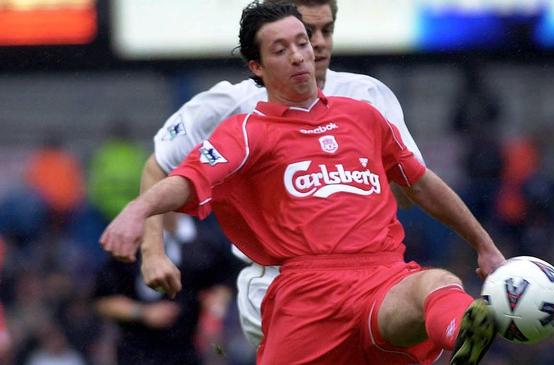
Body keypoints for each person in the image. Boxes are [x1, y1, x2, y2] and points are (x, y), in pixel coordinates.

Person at [101, 2, 505, 364]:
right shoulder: (244, 127)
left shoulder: (364, 112)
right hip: (305, 293)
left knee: (438, 283)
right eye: (281, 50)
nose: (300, 55)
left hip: (381, 276)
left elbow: (421, 184)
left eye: (304, 42)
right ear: (256, 66)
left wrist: (484, 245)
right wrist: (138, 214)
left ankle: (460, 332)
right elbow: (187, 178)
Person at [94, 213, 242, 365]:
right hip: (138, 351)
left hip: (189, 348)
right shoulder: (130, 240)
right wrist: (142, 312)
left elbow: (228, 278)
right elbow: (102, 300)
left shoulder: (207, 237)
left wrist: (217, 300)